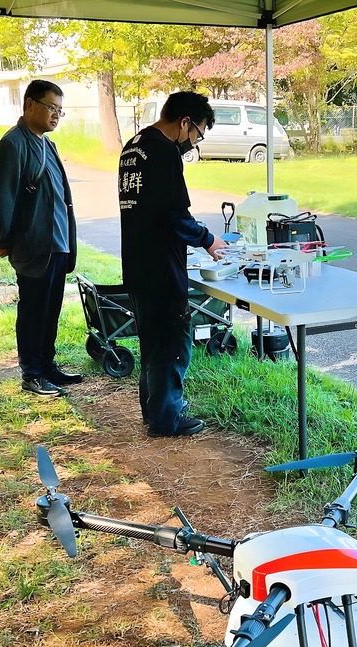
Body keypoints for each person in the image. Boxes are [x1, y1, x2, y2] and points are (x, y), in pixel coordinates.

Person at [119, 91, 226, 437]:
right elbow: (176, 215)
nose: (195, 142)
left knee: (151, 341)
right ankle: (167, 418)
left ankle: (154, 410)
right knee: (172, 340)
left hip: (136, 260)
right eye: (198, 133)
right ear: (184, 123)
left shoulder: (133, 146)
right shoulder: (164, 151)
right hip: (161, 265)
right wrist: (209, 240)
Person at [0, 79, 81, 397]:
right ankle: (32, 373)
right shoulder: (13, 143)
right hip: (34, 245)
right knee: (33, 311)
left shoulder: (47, 144)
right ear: (29, 105)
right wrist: (2, 238)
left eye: (60, 110)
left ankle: (48, 365)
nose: (55, 115)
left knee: (50, 309)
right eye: (51, 107)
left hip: (57, 244)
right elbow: (0, 197)